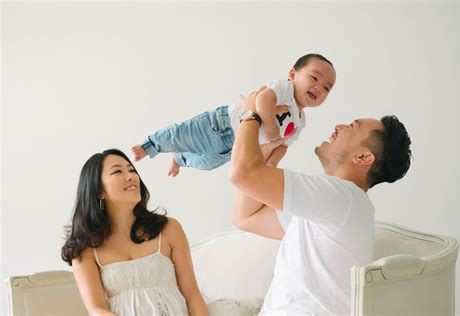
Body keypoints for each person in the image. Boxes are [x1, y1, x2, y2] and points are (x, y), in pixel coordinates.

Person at [229, 89, 412, 315]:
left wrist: (251, 115)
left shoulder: (340, 197)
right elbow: (246, 217)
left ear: (363, 157)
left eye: (352, 126)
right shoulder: (338, 205)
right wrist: (266, 158)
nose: (339, 126)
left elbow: (241, 174)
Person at [131, 53, 336, 176]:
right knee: (183, 135)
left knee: (206, 163)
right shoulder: (285, 89)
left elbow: (283, 145)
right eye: (314, 78)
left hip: (237, 147)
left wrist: (272, 163)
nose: (319, 88)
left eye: (327, 88)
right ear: (293, 74)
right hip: (222, 126)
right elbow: (263, 99)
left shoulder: (300, 121)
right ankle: (151, 145)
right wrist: (272, 127)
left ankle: (181, 158)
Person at [61, 149, 209, 316]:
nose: (131, 176)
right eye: (117, 171)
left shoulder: (169, 229)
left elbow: (192, 296)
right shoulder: (84, 248)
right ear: (99, 192)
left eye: (132, 170)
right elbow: (97, 310)